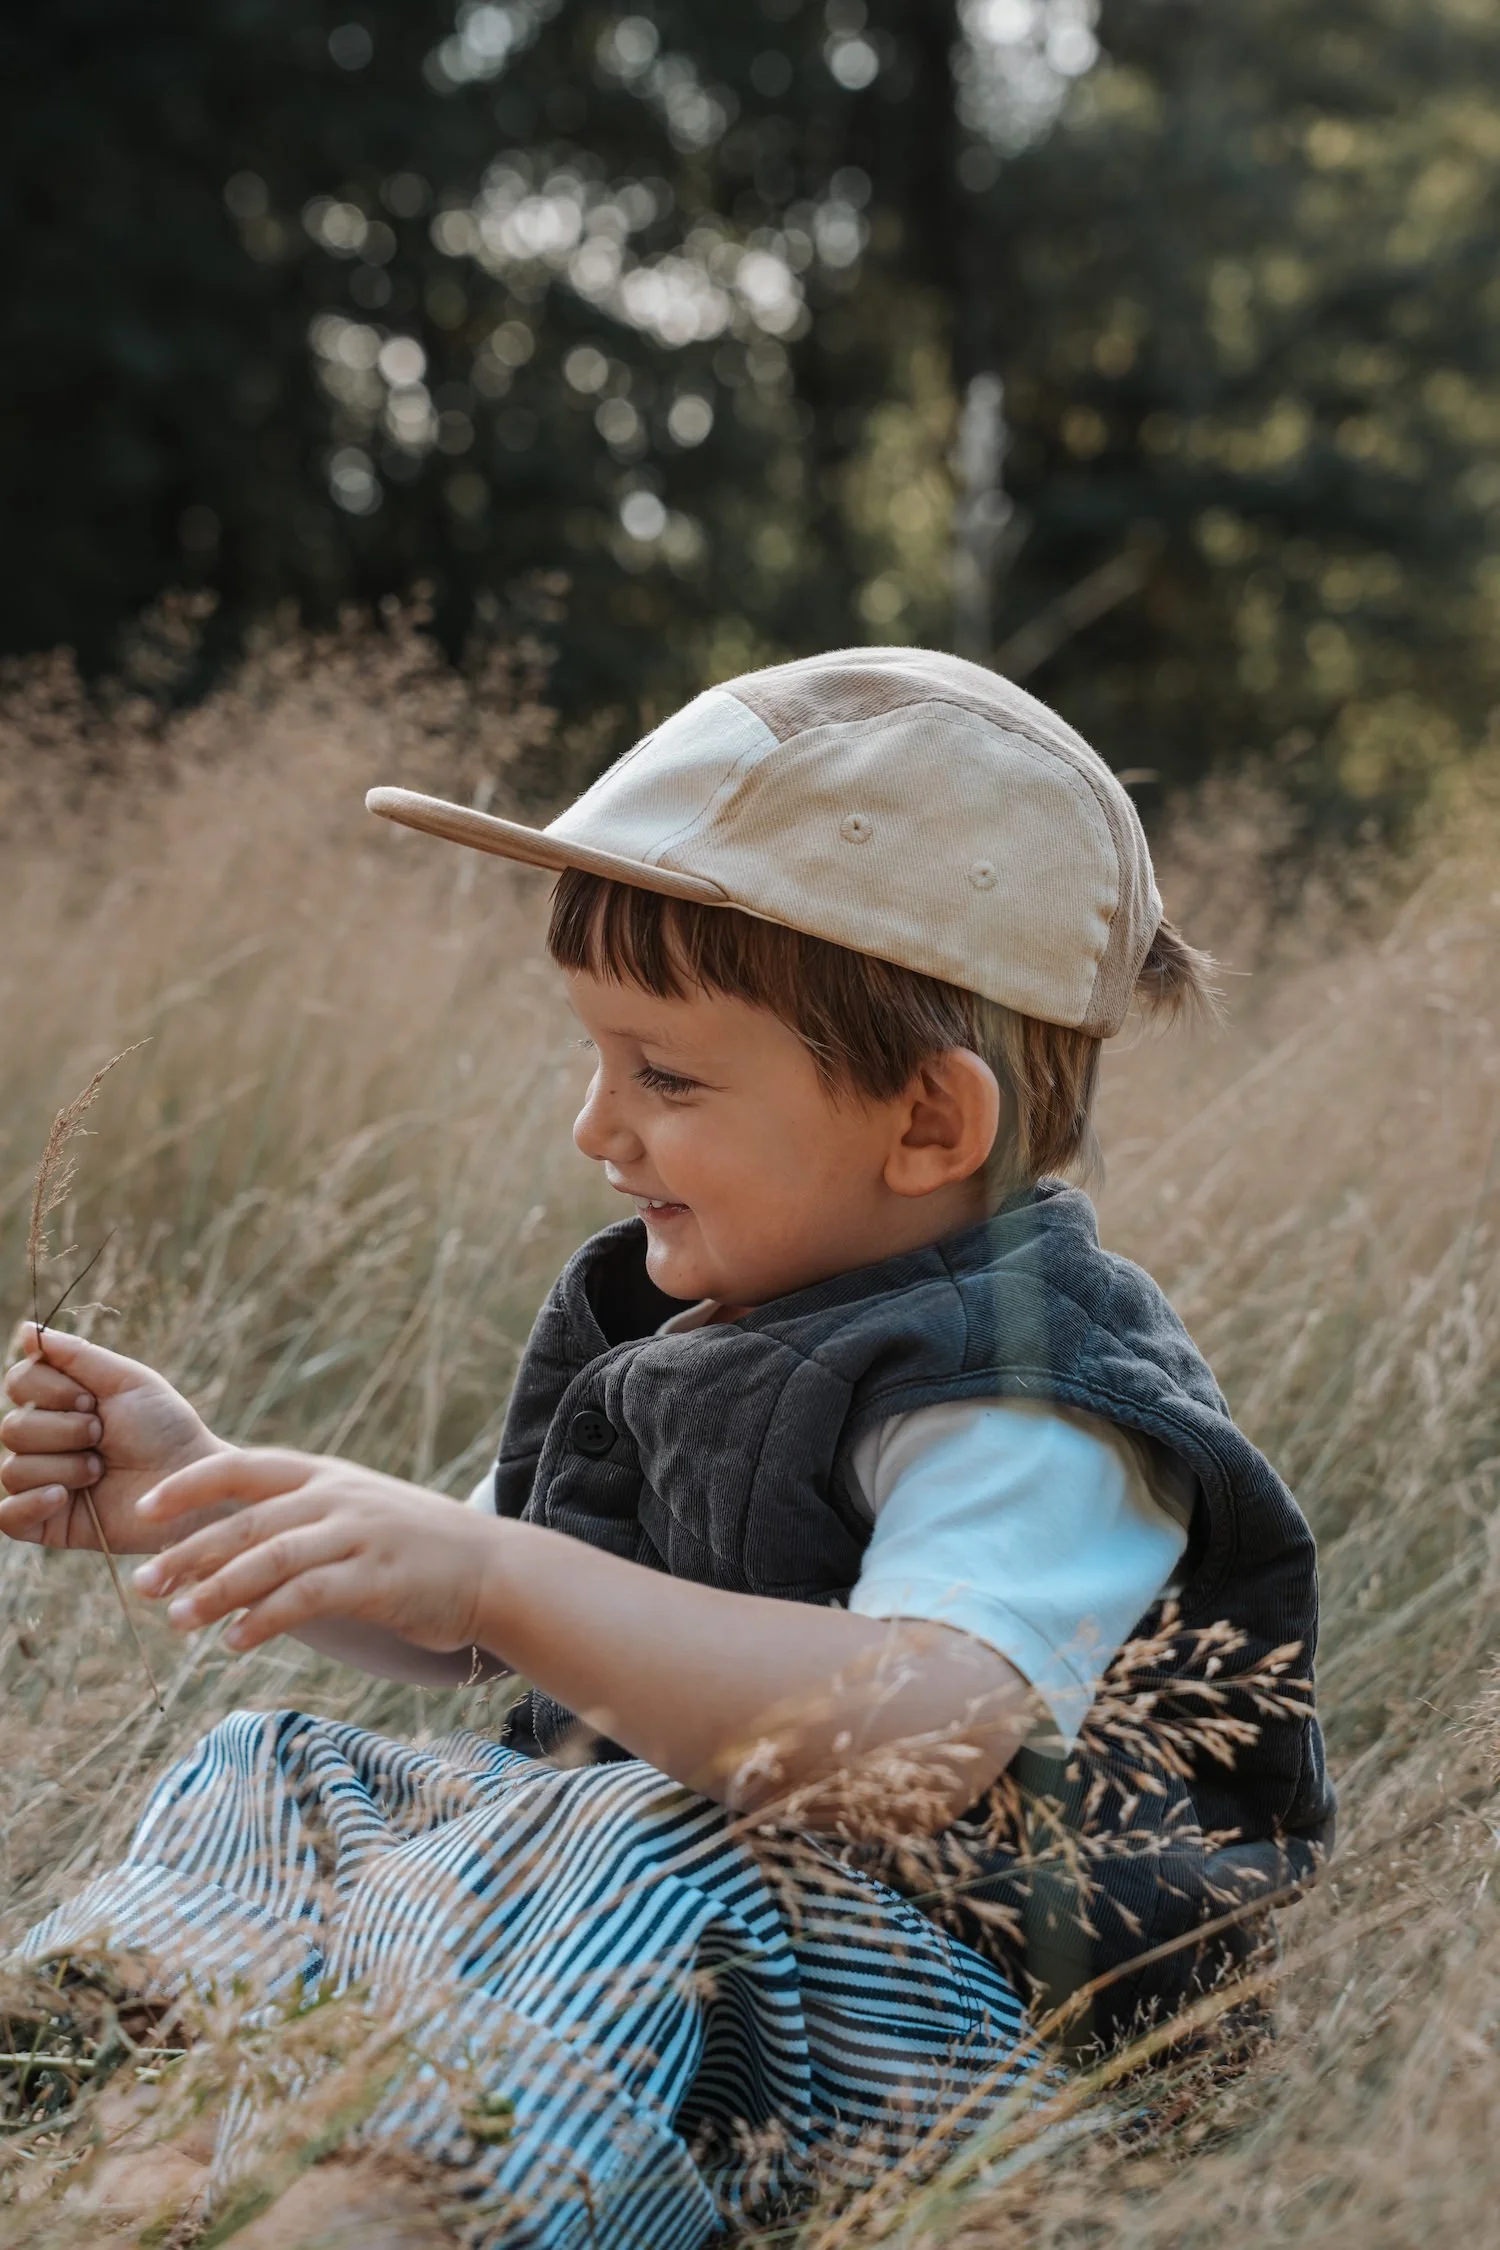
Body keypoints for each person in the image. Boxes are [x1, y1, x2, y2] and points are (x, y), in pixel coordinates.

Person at [0, 649, 1333, 2248]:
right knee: (285, 1765)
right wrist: (200, 1498)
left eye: (665, 1073)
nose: (596, 1123)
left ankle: (415, 2197)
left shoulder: (1027, 1390)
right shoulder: (695, 1321)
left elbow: (927, 1730)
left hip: (981, 2043)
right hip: (678, 1959)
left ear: (927, 1123)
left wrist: (502, 1575)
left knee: (636, 1834)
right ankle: (131, 2088)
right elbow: (457, 1608)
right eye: (597, 1053)